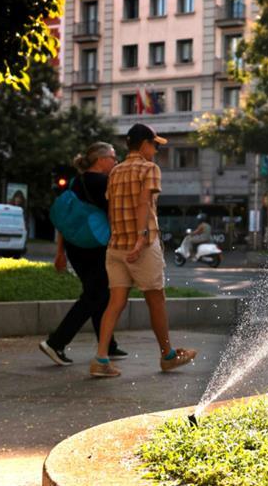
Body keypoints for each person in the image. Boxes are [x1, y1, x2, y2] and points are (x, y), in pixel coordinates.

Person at [90, 123, 196, 377]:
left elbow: (113, 208)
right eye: (155, 145)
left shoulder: (115, 171)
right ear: (145, 144)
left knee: (116, 302)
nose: (157, 150)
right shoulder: (150, 168)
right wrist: (141, 239)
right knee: (156, 299)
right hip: (141, 246)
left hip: (116, 247)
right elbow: (143, 204)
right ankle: (167, 356)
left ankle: (101, 359)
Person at [40, 143, 127, 365]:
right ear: (100, 160)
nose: (115, 161)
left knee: (99, 293)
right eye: (113, 157)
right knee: (95, 295)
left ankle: (108, 345)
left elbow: (65, 220)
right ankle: (56, 343)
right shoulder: (102, 183)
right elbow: (113, 217)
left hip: (74, 247)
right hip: (95, 246)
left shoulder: (75, 182)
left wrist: (60, 252)